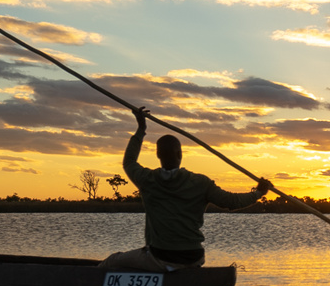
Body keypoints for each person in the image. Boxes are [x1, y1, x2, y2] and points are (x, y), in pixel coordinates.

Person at [100, 106, 269, 271]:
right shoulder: (201, 183)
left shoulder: (147, 180)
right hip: (194, 258)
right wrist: (259, 192)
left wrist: (141, 129)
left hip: (160, 258)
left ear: (158, 155)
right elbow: (232, 202)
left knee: (113, 261)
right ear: (180, 154)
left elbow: (129, 162)